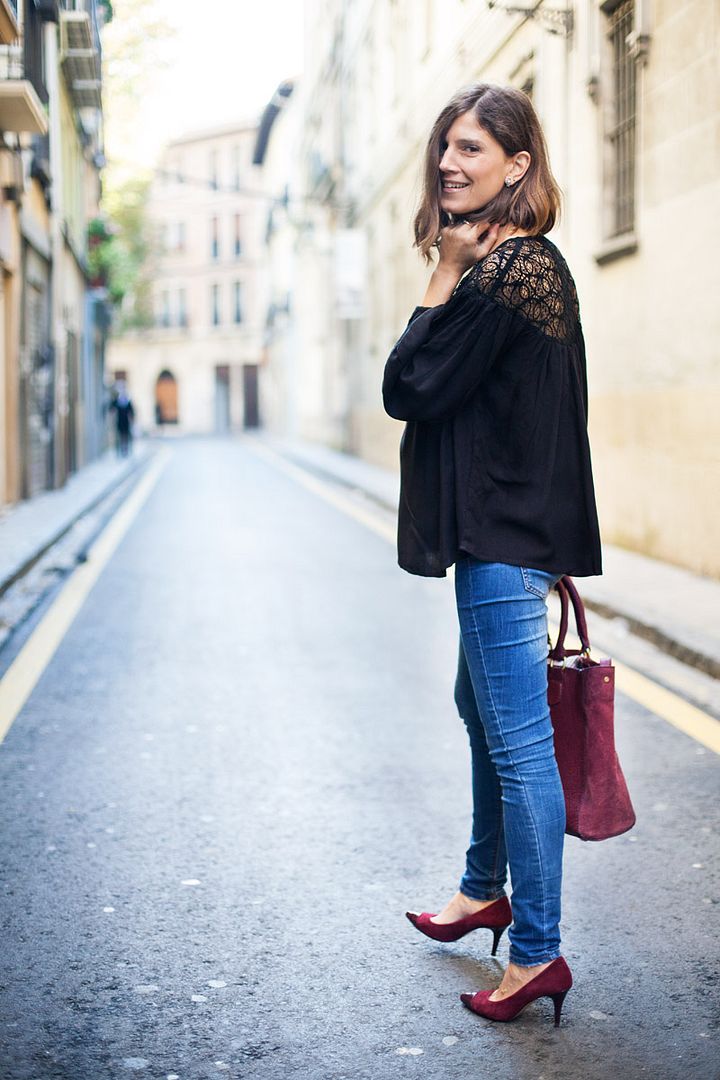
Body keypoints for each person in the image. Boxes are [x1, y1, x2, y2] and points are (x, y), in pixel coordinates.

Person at [382, 83, 603, 1027]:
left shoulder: (508, 269)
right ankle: (483, 888)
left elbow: (408, 386)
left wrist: (439, 274)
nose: (449, 161)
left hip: (502, 539)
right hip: (515, 532)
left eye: (471, 148)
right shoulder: (517, 266)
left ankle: (538, 952)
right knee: (481, 709)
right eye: (446, 145)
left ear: (518, 165)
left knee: (518, 747)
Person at [110, 383, 135, 458]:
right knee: (120, 436)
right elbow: (112, 409)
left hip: (125, 422)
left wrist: (132, 420)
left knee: (126, 436)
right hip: (120, 421)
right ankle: (121, 449)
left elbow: (131, 412)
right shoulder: (116, 401)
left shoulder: (127, 401)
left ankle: (125, 449)